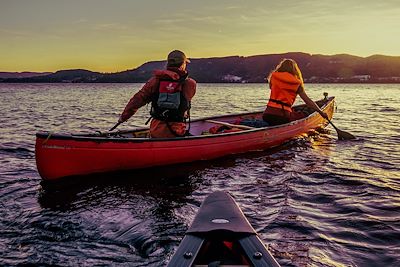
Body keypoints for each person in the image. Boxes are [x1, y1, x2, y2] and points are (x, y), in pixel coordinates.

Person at [118, 50, 197, 138]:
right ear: (183, 64)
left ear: (168, 64)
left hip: (156, 131)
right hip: (177, 132)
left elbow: (137, 100)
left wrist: (123, 118)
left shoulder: (155, 81)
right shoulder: (190, 84)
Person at [263, 58, 328, 126]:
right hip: (283, 117)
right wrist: (321, 112)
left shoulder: (274, 76)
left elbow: (271, 87)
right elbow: (307, 101)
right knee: (304, 114)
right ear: (295, 70)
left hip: (267, 115)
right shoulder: (297, 83)